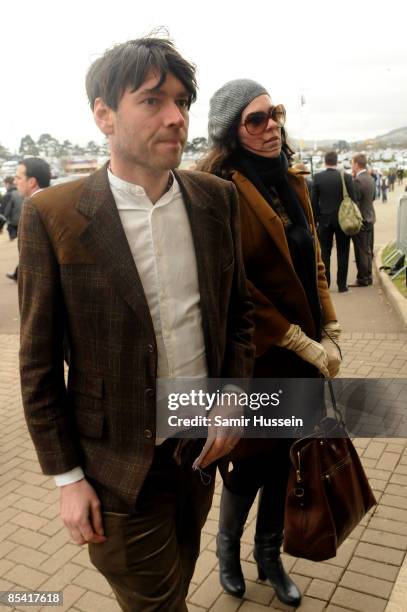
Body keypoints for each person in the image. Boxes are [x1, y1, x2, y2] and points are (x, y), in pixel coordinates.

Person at [18, 37, 255, 612]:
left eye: (181, 101)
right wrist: (67, 477)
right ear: (103, 114)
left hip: (200, 453)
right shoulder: (53, 215)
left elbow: (238, 319)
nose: (176, 117)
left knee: (179, 573)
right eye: (153, 101)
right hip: (118, 470)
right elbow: (39, 366)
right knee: (155, 601)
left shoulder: (215, 200)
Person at [198, 79, 341, 607]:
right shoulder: (219, 189)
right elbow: (237, 286)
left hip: (304, 355)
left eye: (273, 113)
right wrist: (301, 341)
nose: (271, 125)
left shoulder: (292, 182)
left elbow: (316, 263)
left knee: (288, 460)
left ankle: (269, 558)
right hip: (259, 355)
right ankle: (227, 553)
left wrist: (331, 330)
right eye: (254, 119)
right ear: (231, 133)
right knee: (252, 463)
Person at [311, 151, 357, 292]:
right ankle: (342, 286)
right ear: (336, 161)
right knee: (343, 252)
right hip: (344, 221)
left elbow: (313, 202)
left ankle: (326, 284)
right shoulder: (347, 177)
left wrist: (317, 218)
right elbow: (353, 200)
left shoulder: (317, 177)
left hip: (325, 221)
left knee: (325, 253)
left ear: (325, 161)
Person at [6, 159, 51, 281]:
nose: (15, 182)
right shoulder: (52, 201)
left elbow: (33, 263)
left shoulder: (33, 207)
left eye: (18, 178)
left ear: (31, 182)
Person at [350, 153, 376, 287]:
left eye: (352, 163)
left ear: (356, 164)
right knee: (368, 249)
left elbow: (355, 203)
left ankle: (363, 278)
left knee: (361, 250)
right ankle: (369, 276)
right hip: (371, 217)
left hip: (362, 220)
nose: (351, 166)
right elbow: (373, 198)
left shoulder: (357, 181)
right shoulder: (370, 178)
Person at [2, 176, 23, 242]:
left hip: (13, 225)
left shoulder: (8, 195)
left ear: (7, 184)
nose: (4, 186)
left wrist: (0, 226)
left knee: (14, 243)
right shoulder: (22, 193)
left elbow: (4, 213)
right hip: (23, 222)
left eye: (4, 184)